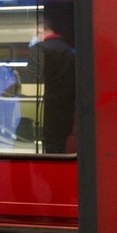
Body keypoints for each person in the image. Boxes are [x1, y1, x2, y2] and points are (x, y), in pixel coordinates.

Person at [26, 19, 75, 153]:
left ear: (40, 31)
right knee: (61, 144)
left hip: (50, 107)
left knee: (50, 147)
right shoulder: (68, 50)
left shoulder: (40, 49)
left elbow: (32, 76)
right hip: (68, 107)